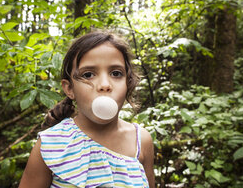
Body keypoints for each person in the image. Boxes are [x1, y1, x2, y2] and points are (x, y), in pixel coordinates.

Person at [19, 31, 155, 188]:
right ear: (70, 89)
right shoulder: (49, 145)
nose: (105, 84)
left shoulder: (141, 141)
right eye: (88, 74)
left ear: (128, 83)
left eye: (116, 73)